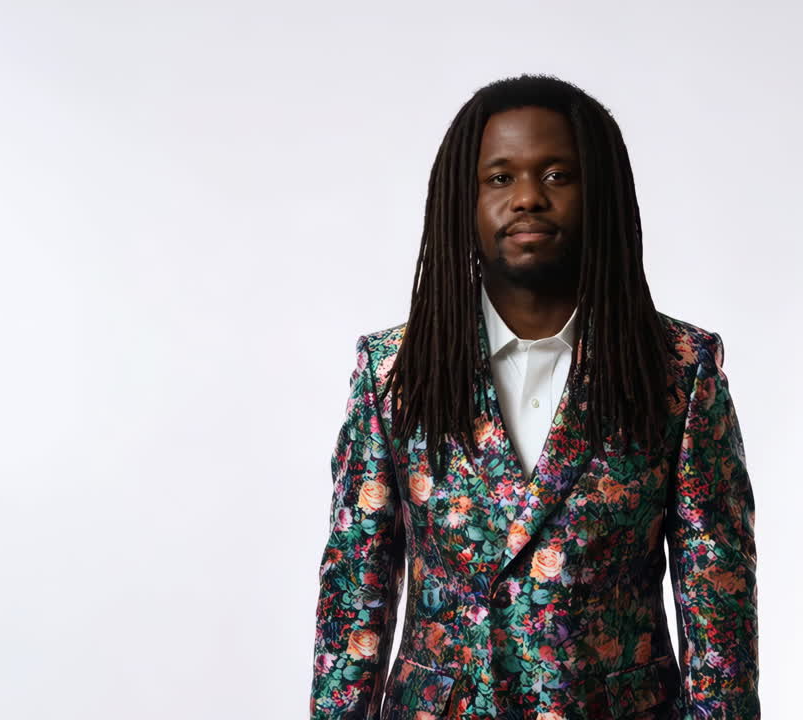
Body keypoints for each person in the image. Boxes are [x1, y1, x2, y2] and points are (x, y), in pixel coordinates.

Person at [310, 73, 759, 720]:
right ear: (461, 200)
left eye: (556, 176)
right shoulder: (395, 373)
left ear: (599, 194)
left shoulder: (677, 371)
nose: (527, 198)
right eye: (499, 178)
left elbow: (720, 620)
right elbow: (355, 603)